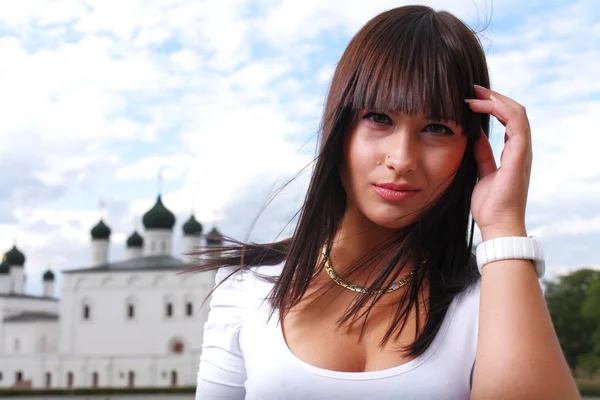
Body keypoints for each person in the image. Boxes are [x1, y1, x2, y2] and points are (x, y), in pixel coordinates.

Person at [192, 5, 580, 400]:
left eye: (436, 128)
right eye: (379, 118)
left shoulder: (495, 297)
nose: (402, 159)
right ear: (339, 127)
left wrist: (503, 225)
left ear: (469, 148)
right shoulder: (247, 290)